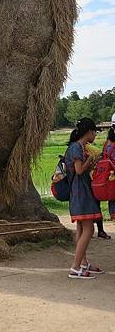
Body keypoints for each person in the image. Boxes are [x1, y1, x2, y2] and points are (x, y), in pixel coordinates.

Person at [65, 118, 104, 279]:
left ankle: (83, 263)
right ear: (88, 132)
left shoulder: (79, 147)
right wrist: (90, 158)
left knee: (81, 229)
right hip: (80, 193)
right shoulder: (76, 148)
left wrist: (92, 162)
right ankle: (75, 267)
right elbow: (79, 170)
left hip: (80, 191)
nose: (95, 135)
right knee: (89, 229)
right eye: (94, 132)